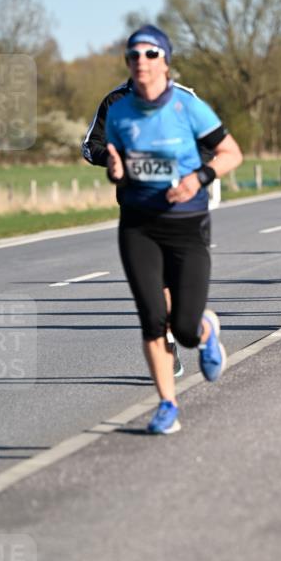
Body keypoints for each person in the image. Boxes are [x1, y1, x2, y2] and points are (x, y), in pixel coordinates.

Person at [100, 24, 243, 433]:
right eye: (133, 55)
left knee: (182, 326)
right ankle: (167, 404)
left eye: (149, 54)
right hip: (138, 225)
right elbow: (119, 168)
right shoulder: (119, 111)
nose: (140, 62)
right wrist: (115, 171)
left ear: (164, 61)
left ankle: (205, 328)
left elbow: (231, 153)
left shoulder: (187, 107)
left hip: (186, 224)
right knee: (151, 318)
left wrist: (198, 178)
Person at [82, 75, 196, 377]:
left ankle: (193, 330)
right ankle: (167, 344)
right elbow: (89, 145)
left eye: (151, 56)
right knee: (154, 284)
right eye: (135, 57)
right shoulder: (114, 101)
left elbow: (212, 144)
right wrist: (111, 158)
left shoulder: (183, 98)